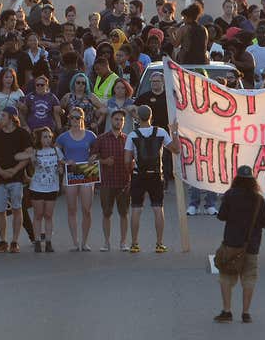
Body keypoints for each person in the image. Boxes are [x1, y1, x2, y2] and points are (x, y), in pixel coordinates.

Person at [214, 165, 265, 324]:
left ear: (236, 178)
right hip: (251, 246)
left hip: (231, 243)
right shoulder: (259, 199)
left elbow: (221, 216)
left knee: (226, 276)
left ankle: (227, 310)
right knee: (249, 278)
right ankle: (246, 313)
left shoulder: (230, 195)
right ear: (253, 180)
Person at [124, 105, 180, 254]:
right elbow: (176, 149)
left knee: (136, 208)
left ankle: (135, 244)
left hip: (138, 174)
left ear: (137, 117)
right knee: (157, 208)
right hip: (156, 174)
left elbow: (127, 159)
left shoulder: (132, 135)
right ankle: (159, 243)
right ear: (151, 116)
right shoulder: (161, 132)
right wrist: (174, 131)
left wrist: (131, 171)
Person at [0, 107, 32, 253]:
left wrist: (15, 170)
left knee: (17, 208)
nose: (0, 118)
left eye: (3, 115)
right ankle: (3, 241)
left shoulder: (22, 134)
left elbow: (28, 155)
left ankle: (15, 241)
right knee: (0, 210)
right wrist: (1, 171)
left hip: (17, 178)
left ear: (12, 118)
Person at [57, 107, 98, 251]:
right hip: (71, 173)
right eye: (72, 117)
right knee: (71, 208)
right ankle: (75, 241)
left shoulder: (90, 135)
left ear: (83, 118)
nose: (75, 120)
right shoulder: (63, 137)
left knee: (87, 209)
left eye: (78, 117)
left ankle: (84, 241)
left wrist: (94, 156)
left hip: (86, 171)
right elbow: (55, 150)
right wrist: (63, 161)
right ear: (69, 119)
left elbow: (97, 149)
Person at [93, 109, 131, 251]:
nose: (119, 122)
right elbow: (93, 158)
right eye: (116, 119)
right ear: (111, 120)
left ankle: (123, 242)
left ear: (124, 122)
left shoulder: (128, 139)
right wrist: (104, 161)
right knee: (106, 213)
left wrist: (132, 163)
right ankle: (106, 242)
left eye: (121, 120)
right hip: (107, 182)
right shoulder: (101, 138)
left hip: (124, 181)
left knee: (124, 213)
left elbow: (134, 157)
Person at [25, 126, 63, 253]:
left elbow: (62, 166)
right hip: (37, 187)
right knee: (38, 215)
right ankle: (37, 241)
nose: (47, 139)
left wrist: (60, 169)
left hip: (52, 187)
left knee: (48, 215)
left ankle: (48, 241)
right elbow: (27, 166)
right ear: (40, 139)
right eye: (45, 137)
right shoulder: (35, 151)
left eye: (49, 137)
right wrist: (32, 161)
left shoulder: (56, 151)